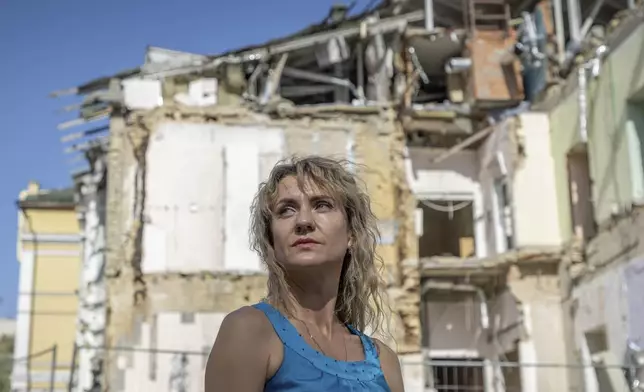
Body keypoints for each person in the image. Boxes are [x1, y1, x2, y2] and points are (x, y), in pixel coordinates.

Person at [204, 156, 404, 392]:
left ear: (351, 233)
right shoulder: (249, 331)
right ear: (271, 240)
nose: (304, 221)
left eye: (322, 205)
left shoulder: (384, 362)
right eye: (286, 210)